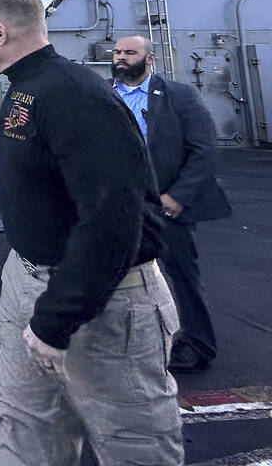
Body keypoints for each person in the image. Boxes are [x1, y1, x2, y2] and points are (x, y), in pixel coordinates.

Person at [0, 0, 182, 466]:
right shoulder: (27, 87)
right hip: (29, 282)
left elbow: (114, 218)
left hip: (103, 302)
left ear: (0, 31)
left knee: (134, 446)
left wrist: (56, 318)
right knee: (27, 431)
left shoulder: (74, 95)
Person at [112, 34, 231, 374]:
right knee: (110, 273)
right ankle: (117, 340)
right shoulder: (103, 95)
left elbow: (203, 149)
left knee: (181, 275)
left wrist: (177, 196)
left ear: (149, 58)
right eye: (117, 52)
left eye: (130, 52)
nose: (121, 57)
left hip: (163, 204)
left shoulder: (179, 95)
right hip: (118, 203)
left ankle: (198, 344)